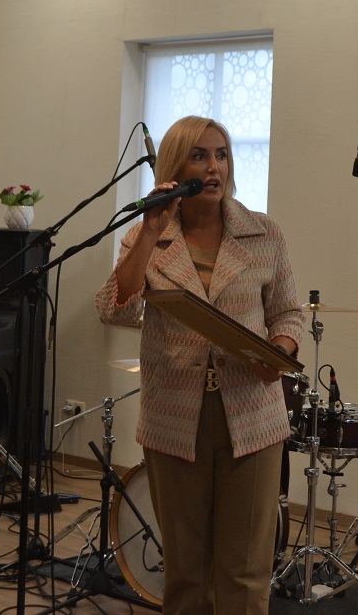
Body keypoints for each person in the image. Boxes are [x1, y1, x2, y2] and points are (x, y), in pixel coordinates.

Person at [95, 115, 301, 615]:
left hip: (252, 416)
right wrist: (150, 231)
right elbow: (115, 309)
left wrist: (280, 350)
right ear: (175, 170)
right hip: (174, 417)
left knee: (245, 571)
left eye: (222, 155)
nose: (214, 168)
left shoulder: (263, 233)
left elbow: (288, 313)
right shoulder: (147, 236)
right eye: (200, 156)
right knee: (185, 571)